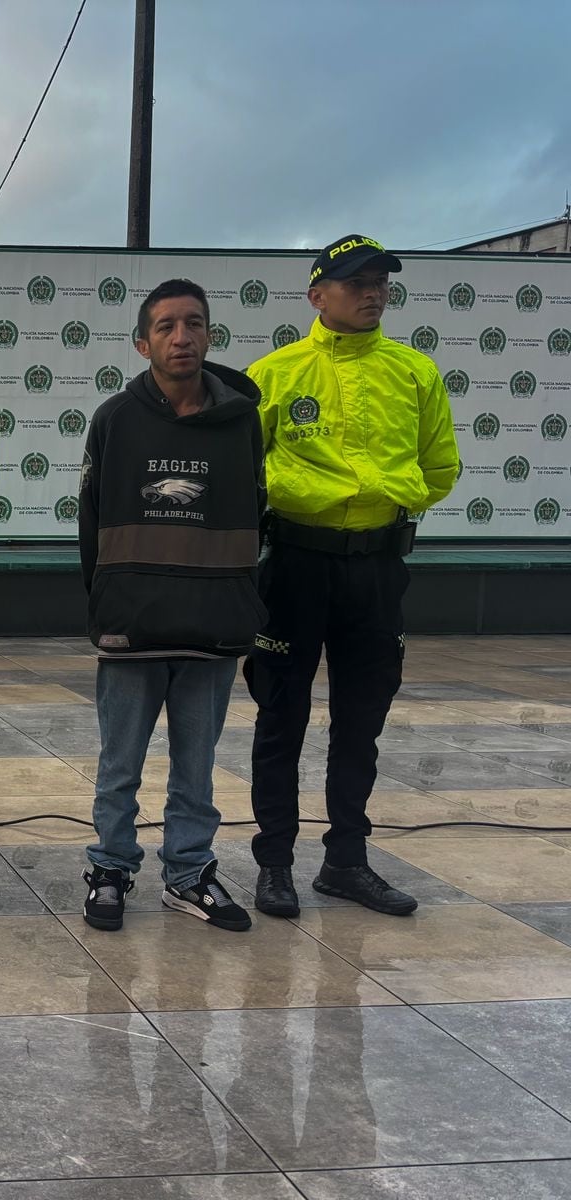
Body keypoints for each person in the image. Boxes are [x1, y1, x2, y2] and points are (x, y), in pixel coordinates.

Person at [245, 235, 459, 917]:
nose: (372, 293)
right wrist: (312, 494)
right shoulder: (274, 373)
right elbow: (248, 468)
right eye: (356, 283)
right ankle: (274, 863)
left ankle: (346, 861)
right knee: (281, 714)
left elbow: (440, 466)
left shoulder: (413, 371)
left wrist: (382, 500)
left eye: (380, 282)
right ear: (317, 295)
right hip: (297, 564)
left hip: (377, 567)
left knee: (361, 719)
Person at [77, 278, 266, 933]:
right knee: (119, 766)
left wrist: (238, 605)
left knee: (197, 768)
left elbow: (255, 516)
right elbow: (91, 526)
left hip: (213, 625)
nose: (181, 337)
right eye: (165, 326)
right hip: (134, 627)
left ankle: (188, 875)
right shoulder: (114, 419)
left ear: (210, 335)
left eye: (193, 323)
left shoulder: (242, 421)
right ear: (142, 343)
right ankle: (110, 868)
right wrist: (108, 609)